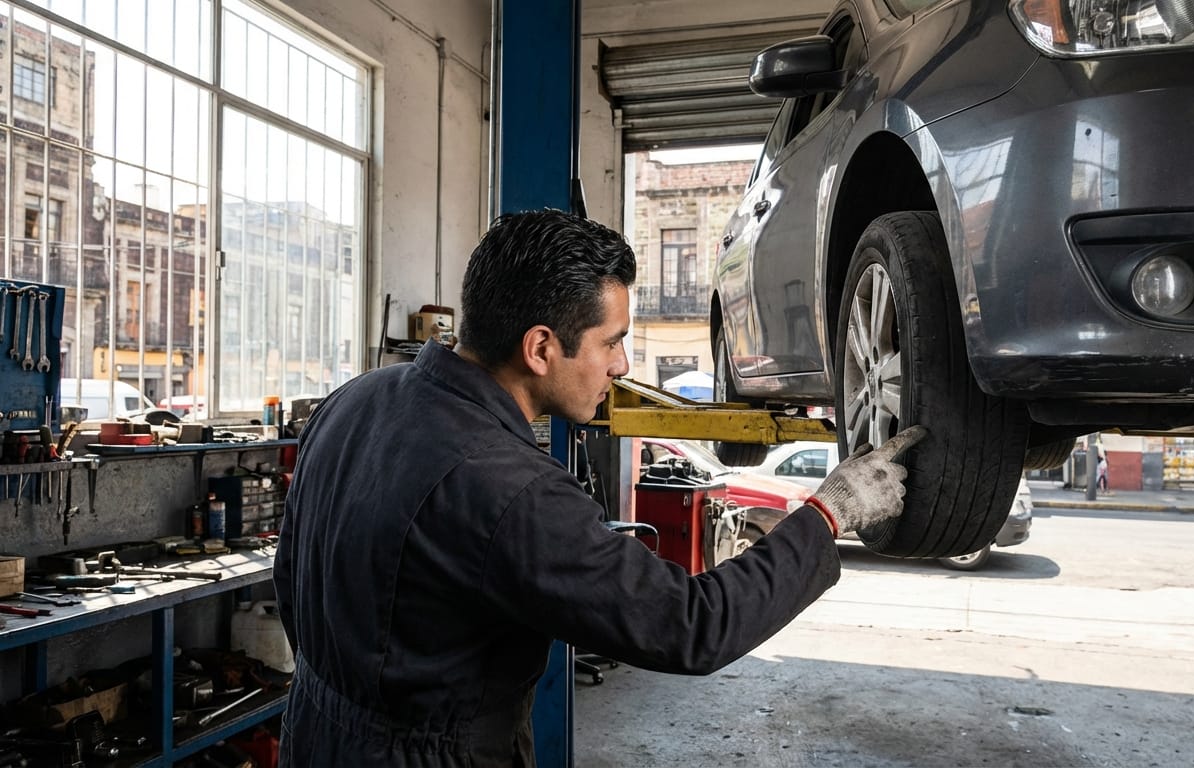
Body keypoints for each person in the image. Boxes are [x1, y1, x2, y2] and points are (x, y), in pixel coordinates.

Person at [272, 210, 927, 767]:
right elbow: (691, 624)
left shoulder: (352, 400)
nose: (622, 365)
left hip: (313, 729)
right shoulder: (509, 490)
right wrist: (828, 510)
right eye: (611, 342)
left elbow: (291, 564)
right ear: (539, 348)